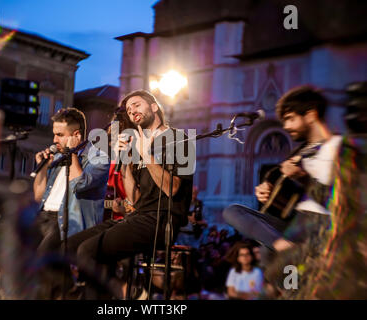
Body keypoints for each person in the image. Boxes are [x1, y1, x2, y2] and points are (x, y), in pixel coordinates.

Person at [65, 89, 195, 299]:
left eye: (136, 104)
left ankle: (130, 293)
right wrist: (125, 160)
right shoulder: (140, 144)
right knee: (71, 246)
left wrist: (145, 153)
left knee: (88, 251)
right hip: (139, 215)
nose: (131, 110)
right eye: (128, 108)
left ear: (154, 106)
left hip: (163, 218)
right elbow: (134, 199)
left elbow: (172, 189)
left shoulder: (178, 140)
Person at [223, 85, 342, 266]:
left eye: (290, 119)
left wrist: (303, 178)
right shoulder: (299, 152)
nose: (286, 126)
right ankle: (286, 249)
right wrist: (265, 190)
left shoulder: (338, 146)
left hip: (321, 224)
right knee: (233, 211)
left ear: (310, 115)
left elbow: (340, 199)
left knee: (274, 263)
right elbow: (280, 184)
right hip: (292, 224)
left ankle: (289, 264)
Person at [32, 107, 110, 298]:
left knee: (44, 257)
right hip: (44, 216)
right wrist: (42, 168)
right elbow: (38, 196)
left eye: (59, 135)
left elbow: (80, 184)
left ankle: (71, 293)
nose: (54, 140)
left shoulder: (98, 156)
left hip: (67, 219)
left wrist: (73, 154)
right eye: (54, 134)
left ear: (75, 135)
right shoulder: (57, 158)